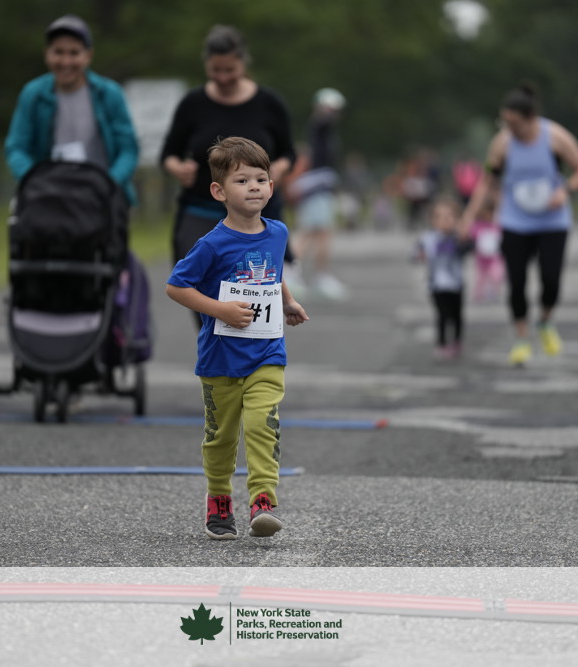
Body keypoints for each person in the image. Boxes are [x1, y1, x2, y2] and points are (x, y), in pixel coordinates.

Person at [165, 137, 308, 540]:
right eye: (242, 181)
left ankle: (263, 500)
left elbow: (273, 272)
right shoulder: (211, 244)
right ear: (219, 191)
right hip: (220, 359)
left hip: (267, 353)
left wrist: (288, 301)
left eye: (260, 179)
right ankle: (219, 499)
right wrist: (220, 310)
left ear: (272, 186)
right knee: (221, 439)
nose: (253, 187)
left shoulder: (278, 232)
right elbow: (176, 287)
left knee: (263, 425)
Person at [460, 82, 578, 366]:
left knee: (551, 278)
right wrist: (468, 217)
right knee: (517, 281)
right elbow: (486, 181)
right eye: (505, 123)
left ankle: (545, 321)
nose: (509, 129)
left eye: (514, 123)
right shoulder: (502, 143)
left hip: (552, 219)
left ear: (531, 118)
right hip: (515, 220)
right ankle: (521, 339)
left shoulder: (555, 137)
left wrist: (565, 191)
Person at [160, 25, 295, 267]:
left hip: (256, 214)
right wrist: (179, 169)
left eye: (230, 70)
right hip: (201, 211)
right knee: (198, 280)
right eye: (216, 70)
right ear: (206, 65)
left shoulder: (269, 103)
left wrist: (278, 169)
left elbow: (288, 153)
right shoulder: (193, 104)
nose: (223, 78)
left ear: (243, 63)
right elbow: (169, 153)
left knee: (257, 279)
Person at [4, 15, 139, 204]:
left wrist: (110, 183)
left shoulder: (109, 94)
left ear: (88, 55)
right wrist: (34, 180)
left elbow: (128, 149)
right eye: (58, 52)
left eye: (74, 53)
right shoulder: (33, 94)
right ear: (46, 54)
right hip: (48, 198)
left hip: (102, 199)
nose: (65, 62)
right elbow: (17, 147)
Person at [286, 87, 349, 300]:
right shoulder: (319, 126)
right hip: (318, 189)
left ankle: (316, 276)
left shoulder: (324, 131)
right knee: (313, 232)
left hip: (322, 187)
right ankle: (293, 274)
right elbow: (323, 120)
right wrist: (325, 108)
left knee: (319, 233)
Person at [415, 197, 473, 358]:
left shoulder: (459, 237)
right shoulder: (427, 238)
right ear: (433, 220)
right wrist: (419, 256)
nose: (445, 220)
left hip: (456, 284)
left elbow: (468, 249)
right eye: (440, 217)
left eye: (449, 216)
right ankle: (441, 343)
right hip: (436, 285)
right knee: (442, 314)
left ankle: (457, 340)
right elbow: (415, 254)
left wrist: (464, 237)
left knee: (457, 314)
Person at [469, 196, 504, 303]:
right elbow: (471, 235)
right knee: (481, 277)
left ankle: (493, 291)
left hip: (495, 257)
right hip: (481, 257)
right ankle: (478, 293)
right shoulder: (477, 226)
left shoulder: (497, 225)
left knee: (496, 274)